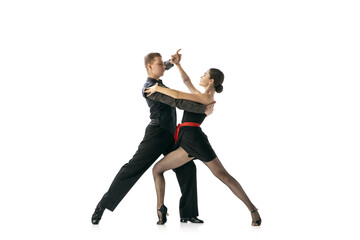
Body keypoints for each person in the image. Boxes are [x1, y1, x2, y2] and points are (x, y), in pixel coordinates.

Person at [91, 51, 215, 225]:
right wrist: (203, 110)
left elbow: (162, 66)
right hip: (157, 134)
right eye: (160, 64)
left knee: (188, 168)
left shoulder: (157, 80)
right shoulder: (149, 88)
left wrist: (172, 63)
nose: (163, 66)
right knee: (133, 168)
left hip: (171, 135)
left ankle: (188, 213)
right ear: (150, 66)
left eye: (163, 65)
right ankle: (103, 205)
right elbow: (177, 102)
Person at [145, 50, 262, 226]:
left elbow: (177, 95)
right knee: (157, 169)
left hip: (195, 140)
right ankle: (160, 209)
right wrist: (177, 64)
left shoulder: (205, 97)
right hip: (186, 140)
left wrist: (157, 88)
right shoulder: (201, 95)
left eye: (205, 74)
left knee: (224, 176)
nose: (201, 75)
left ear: (212, 81)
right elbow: (186, 82)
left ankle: (253, 210)